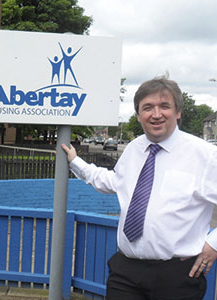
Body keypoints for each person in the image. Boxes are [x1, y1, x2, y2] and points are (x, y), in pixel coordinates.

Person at [62, 76, 217, 300]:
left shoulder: (205, 155)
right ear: (138, 115)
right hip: (126, 270)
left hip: (177, 276)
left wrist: (213, 244)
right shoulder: (135, 148)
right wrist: (76, 162)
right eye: (148, 107)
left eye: (164, 106)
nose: (156, 114)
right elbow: (114, 181)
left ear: (178, 112)